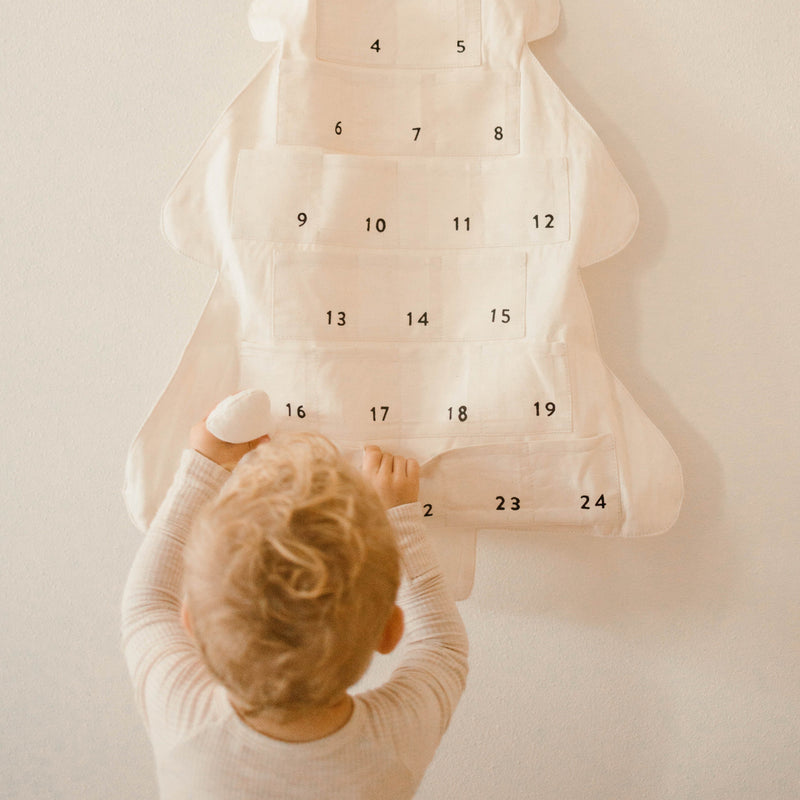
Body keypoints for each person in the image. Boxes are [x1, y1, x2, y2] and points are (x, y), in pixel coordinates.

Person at [121, 413, 469, 799]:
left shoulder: (184, 715)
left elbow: (148, 603)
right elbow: (442, 647)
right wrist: (398, 515)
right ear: (389, 631)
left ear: (192, 622)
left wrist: (205, 468)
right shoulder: (392, 742)